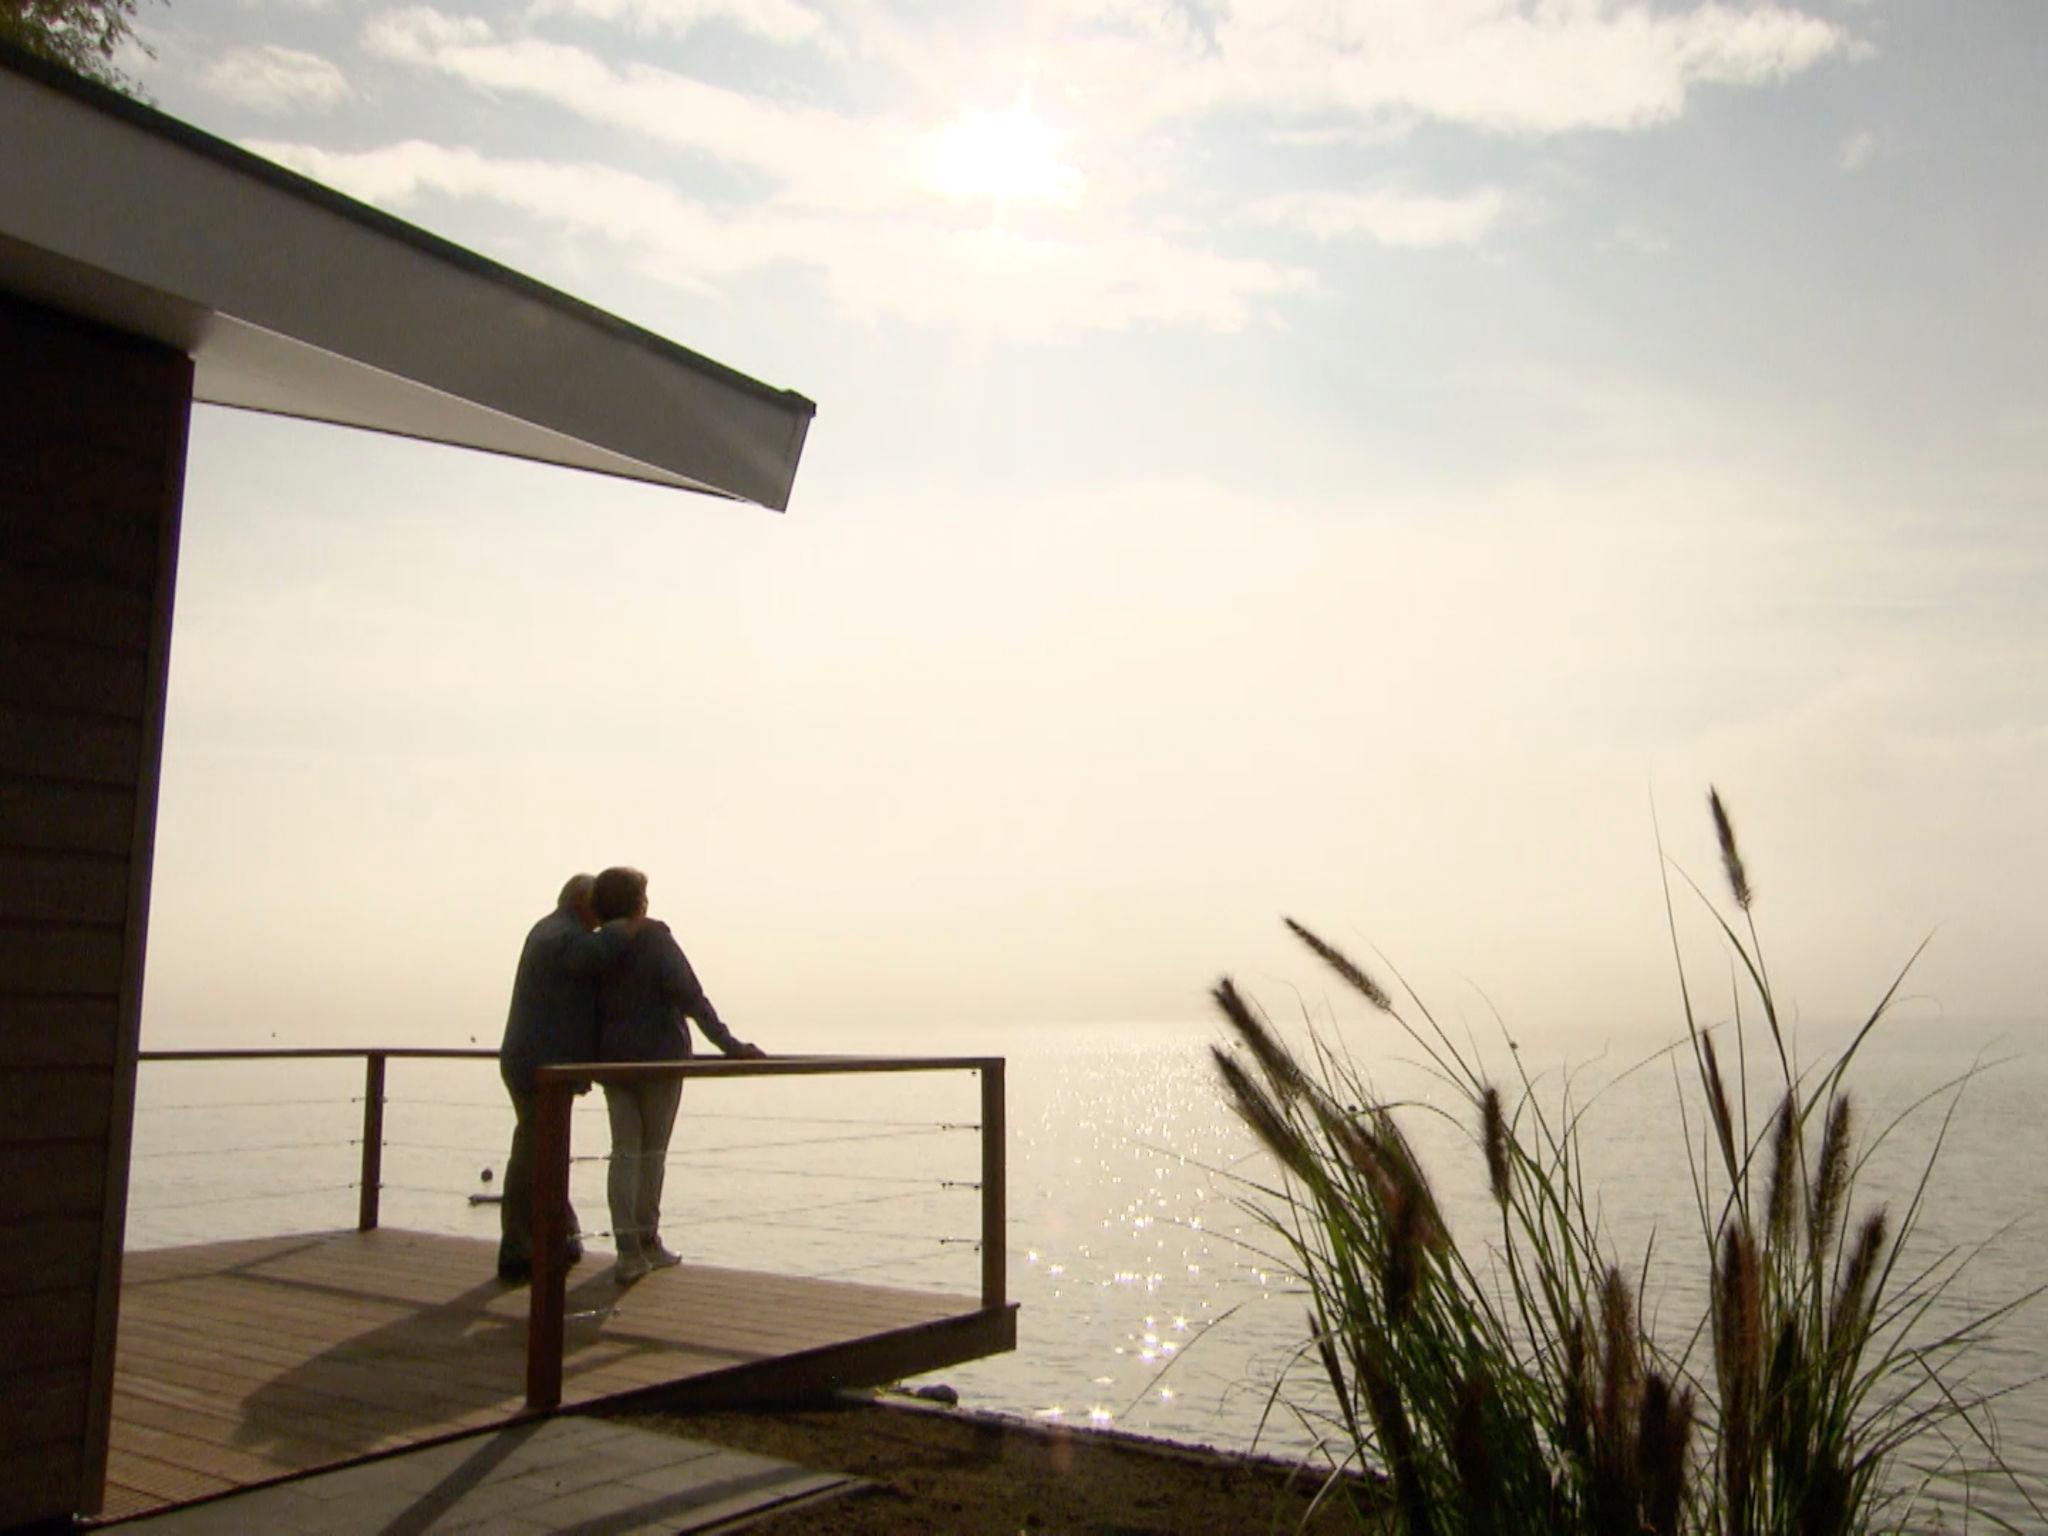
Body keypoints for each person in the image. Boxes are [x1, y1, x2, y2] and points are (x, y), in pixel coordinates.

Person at [588, 864, 764, 1283]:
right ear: (638, 902)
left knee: (624, 1154)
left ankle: (627, 1251)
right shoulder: (654, 938)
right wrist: (731, 1046)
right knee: (651, 1155)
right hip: (659, 1061)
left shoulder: (596, 945)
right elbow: (691, 996)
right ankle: (646, 1241)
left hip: (612, 1062)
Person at [495, 873, 634, 1282]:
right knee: (534, 1154)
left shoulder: (550, 931)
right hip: (538, 1066)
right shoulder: (559, 935)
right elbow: (592, 955)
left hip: (536, 1061)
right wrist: (629, 925)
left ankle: (556, 1235)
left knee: (541, 1152)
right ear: (584, 902)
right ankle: (521, 1246)